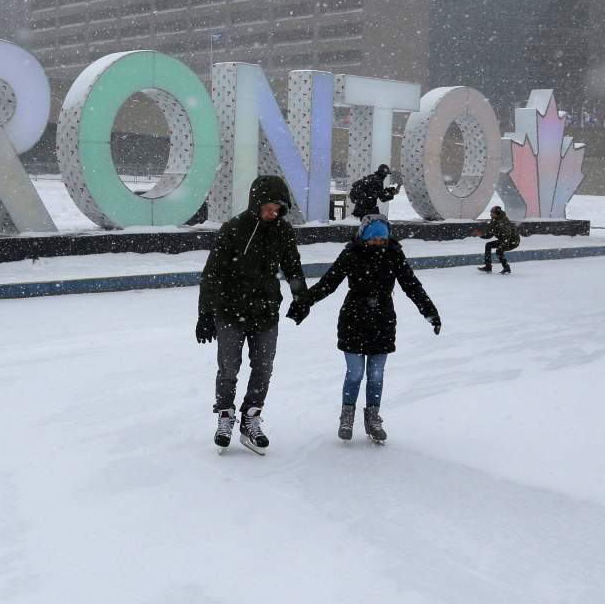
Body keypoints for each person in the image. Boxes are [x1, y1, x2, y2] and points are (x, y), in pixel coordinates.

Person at [287, 214, 440, 443]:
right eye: (374, 238)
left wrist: (430, 312)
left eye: (382, 238)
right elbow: (329, 282)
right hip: (354, 319)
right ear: (365, 237)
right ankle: (347, 415)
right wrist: (304, 302)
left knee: (376, 375)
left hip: (382, 320)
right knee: (355, 372)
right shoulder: (352, 253)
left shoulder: (394, 254)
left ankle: (373, 417)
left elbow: (412, 286)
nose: (379, 243)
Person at [197, 175, 307, 455]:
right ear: (256, 203)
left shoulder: (283, 231)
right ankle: (225, 415)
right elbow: (212, 274)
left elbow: (293, 267)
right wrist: (205, 314)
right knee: (228, 369)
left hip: (266, 312)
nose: (274, 213)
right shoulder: (233, 229)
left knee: (263, 369)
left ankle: (251, 418)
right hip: (230, 312)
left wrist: (300, 297)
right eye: (270, 207)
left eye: (279, 209)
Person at [475, 205, 520, 274]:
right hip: (504, 239)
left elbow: (507, 236)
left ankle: (507, 269)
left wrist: (501, 246)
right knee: (488, 245)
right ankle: (488, 267)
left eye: (492, 213)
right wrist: (480, 235)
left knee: (499, 251)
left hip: (512, 241)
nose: (490, 214)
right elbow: (490, 234)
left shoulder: (502, 222)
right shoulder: (494, 220)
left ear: (497, 214)